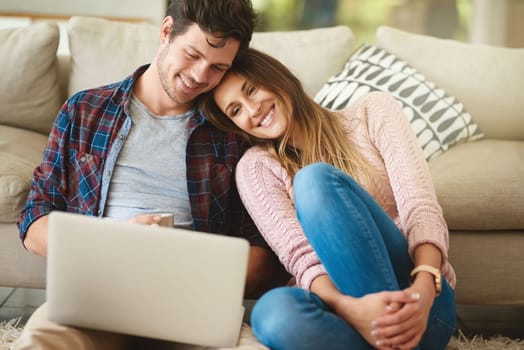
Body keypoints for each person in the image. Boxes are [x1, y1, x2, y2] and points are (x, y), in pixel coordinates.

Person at [14, 2, 289, 349]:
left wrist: (190, 273)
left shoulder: (230, 135)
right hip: (98, 294)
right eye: (192, 54)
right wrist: (114, 244)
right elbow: (35, 216)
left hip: (191, 306)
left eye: (218, 67)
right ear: (166, 32)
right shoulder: (85, 111)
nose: (201, 76)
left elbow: (266, 249)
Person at [200, 48, 457, 350]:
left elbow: (421, 208)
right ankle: (383, 339)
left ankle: (389, 330)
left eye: (251, 90)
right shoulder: (256, 168)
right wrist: (353, 312)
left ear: (277, 78)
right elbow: (302, 260)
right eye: (236, 111)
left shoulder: (374, 113)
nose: (251, 110)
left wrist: (425, 290)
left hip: (420, 305)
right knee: (271, 315)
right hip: (342, 312)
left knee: (313, 180)